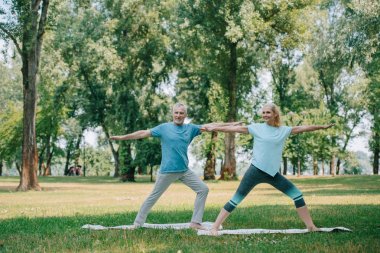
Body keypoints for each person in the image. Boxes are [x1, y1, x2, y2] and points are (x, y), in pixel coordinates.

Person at [203, 103, 334, 235]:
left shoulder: (283, 130)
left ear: (275, 114)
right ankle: (214, 227)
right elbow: (232, 130)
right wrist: (214, 127)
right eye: (263, 112)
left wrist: (321, 127)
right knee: (236, 199)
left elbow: (303, 128)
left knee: (297, 195)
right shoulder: (256, 128)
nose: (265, 115)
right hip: (255, 171)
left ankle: (311, 226)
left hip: (273, 174)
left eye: (268, 112)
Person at [110, 103, 240, 230]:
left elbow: (212, 126)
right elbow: (142, 133)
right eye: (176, 112)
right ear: (172, 114)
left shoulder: (191, 129)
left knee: (203, 189)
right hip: (167, 171)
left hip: (184, 170)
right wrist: (122, 138)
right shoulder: (163, 128)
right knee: (153, 197)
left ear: (185, 115)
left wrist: (231, 125)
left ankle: (196, 222)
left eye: (181, 113)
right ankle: (137, 224)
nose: (178, 115)